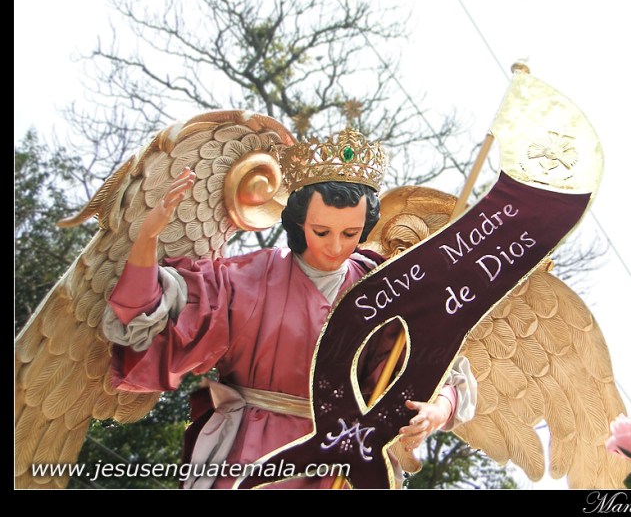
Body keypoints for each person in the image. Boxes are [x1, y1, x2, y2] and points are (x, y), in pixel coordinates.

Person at [102, 129, 476, 489]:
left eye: (349, 233)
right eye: (322, 231)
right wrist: (148, 237)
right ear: (299, 223)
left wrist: (439, 409)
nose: (335, 246)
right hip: (249, 454)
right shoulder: (248, 277)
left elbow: (432, 362)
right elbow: (155, 310)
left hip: (339, 463)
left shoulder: (384, 289)